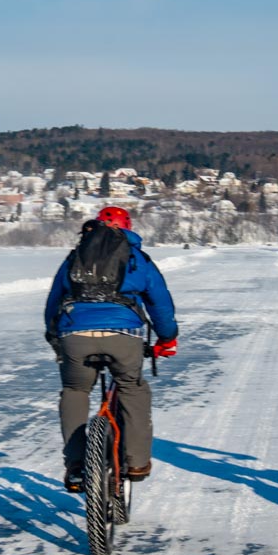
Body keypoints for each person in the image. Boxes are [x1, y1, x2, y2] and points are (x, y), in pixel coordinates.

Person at [44, 206, 178, 492]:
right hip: (123, 335)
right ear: (128, 227)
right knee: (131, 387)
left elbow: (54, 300)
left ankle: (77, 464)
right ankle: (138, 461)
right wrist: (167, 338)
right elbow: (159, 303)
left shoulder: (75, 256)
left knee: (75, 390)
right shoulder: (137, 258)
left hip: (74, 333)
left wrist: (56, 337)